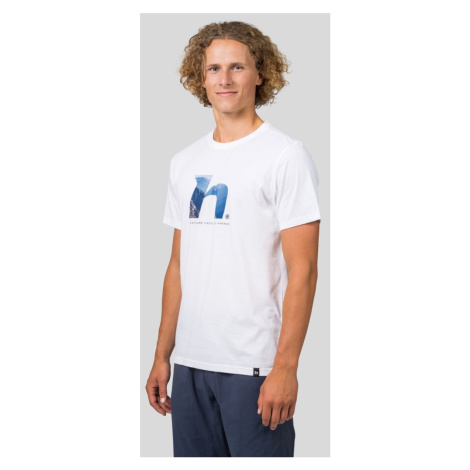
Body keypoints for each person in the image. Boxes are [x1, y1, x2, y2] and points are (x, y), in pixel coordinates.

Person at [145, 20, 322, 457]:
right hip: (190, 364)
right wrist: (162, 355)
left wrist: (286, 367)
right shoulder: (184, 162)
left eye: (237, 67)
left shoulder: (285, 156)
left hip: (254, 368)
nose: (224, 79)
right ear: (201, 77)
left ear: (260, 74)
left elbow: (303, 270)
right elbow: (178, 266)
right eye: (214, 68)